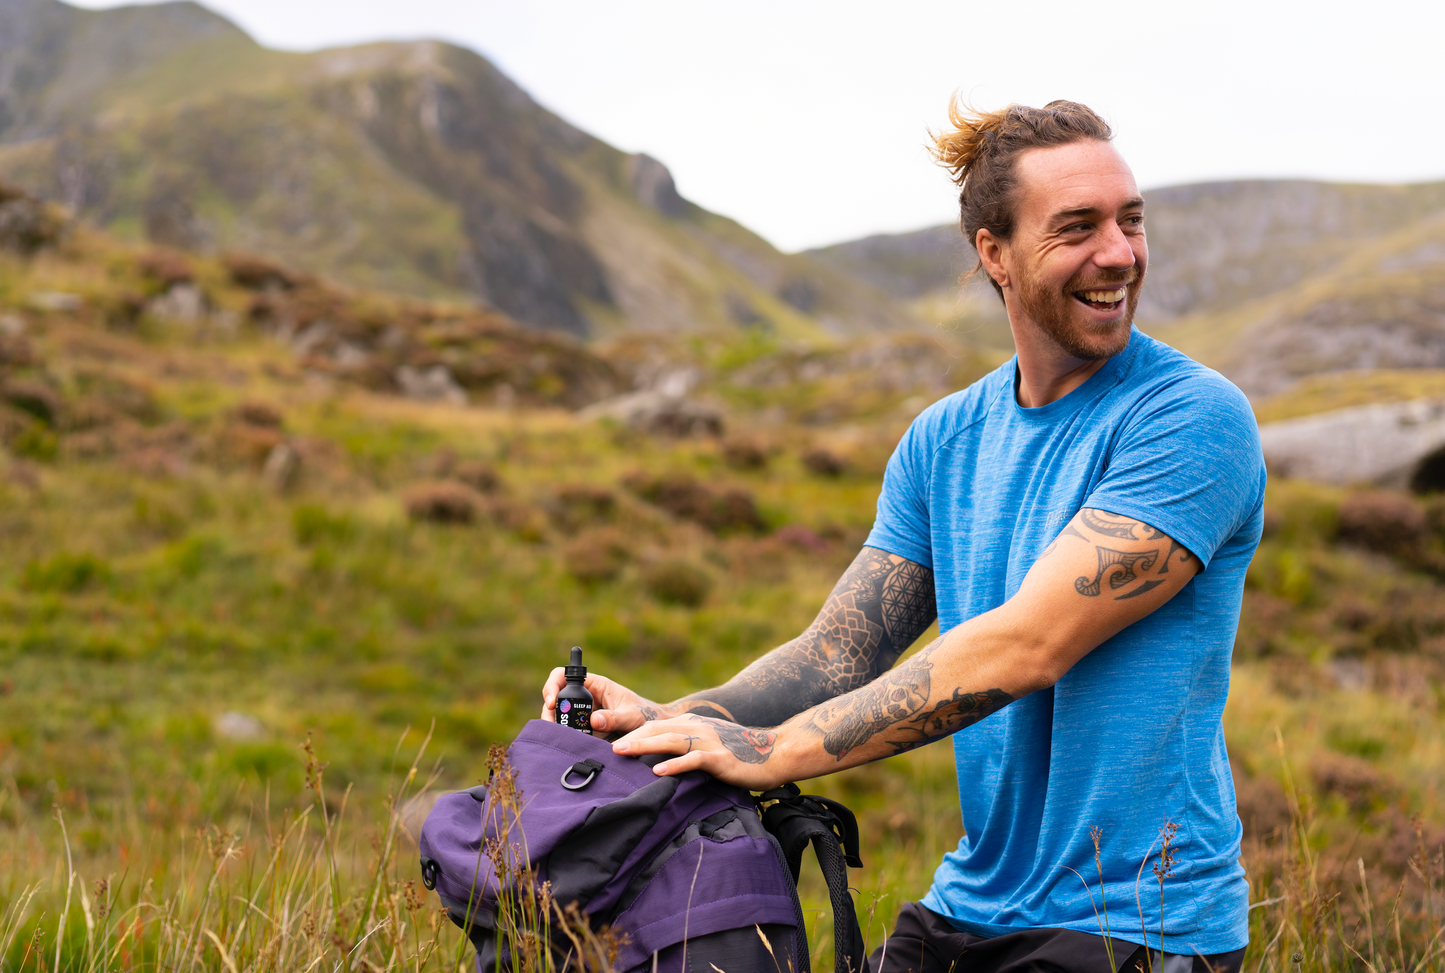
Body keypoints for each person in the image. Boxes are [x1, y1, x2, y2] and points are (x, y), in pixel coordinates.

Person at [542, 99, 1264, 973]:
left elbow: (1026, 645)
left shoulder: (1191, 418)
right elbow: (837, 653)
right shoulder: (943, 441)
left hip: (1138, 922)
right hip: (971, 900)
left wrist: (775, 752)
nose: (1118, 252)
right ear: (992, 253)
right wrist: (669, 721)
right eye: (1077, 228)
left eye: (1129, 220)